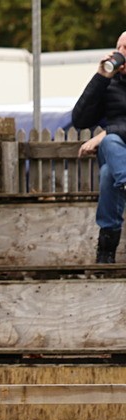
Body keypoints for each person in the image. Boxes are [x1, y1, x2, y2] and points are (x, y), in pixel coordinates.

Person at [72, 32, 126, 263]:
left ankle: (105, 253)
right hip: (115, 152)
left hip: (115, 160)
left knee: (107, 175)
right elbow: (80, 120)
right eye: (118, 47)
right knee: (112, 144)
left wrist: (105, 133)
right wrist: (100, 78)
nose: (120, 53)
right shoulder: (110, 83)